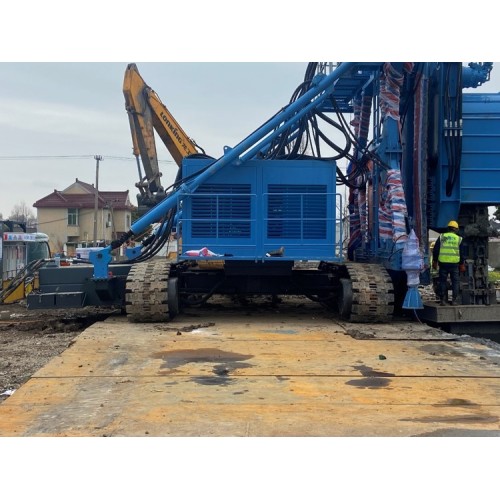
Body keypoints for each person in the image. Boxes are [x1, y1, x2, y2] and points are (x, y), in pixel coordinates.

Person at [432, 220, 466, 305]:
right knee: (455, 282)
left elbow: (436, 250)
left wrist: (434, 261)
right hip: (454, 264)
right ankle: (454, 300)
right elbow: (461, 253)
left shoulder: (442, 237)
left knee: (442, 281)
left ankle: (443, 300)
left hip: (443, 263)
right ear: (456, 229)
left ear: (448, 228)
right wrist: (462, 264)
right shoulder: (459, 239)